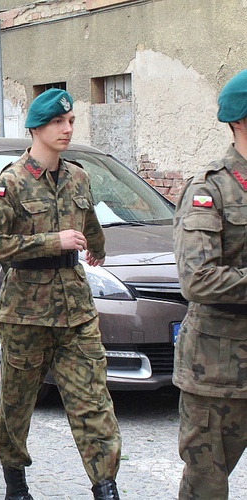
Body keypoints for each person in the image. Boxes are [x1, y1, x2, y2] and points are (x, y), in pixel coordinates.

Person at [0, 88, 121, 500]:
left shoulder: (78, 175)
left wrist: (96, 248)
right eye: (58, 122)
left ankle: (106, 485)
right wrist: (51, 242)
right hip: (25, 310)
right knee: (17, 402)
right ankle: (15, 480)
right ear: (36, 129)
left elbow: (89, 219)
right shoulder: (11, 181)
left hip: (75, 308)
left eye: (71, 121)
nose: (67, 128)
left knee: (92, 399)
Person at [172, 69, 247, 499]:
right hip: (216, 372)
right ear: (238, 121)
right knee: (207, 488)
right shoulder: (210, 189)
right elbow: (197, 278)